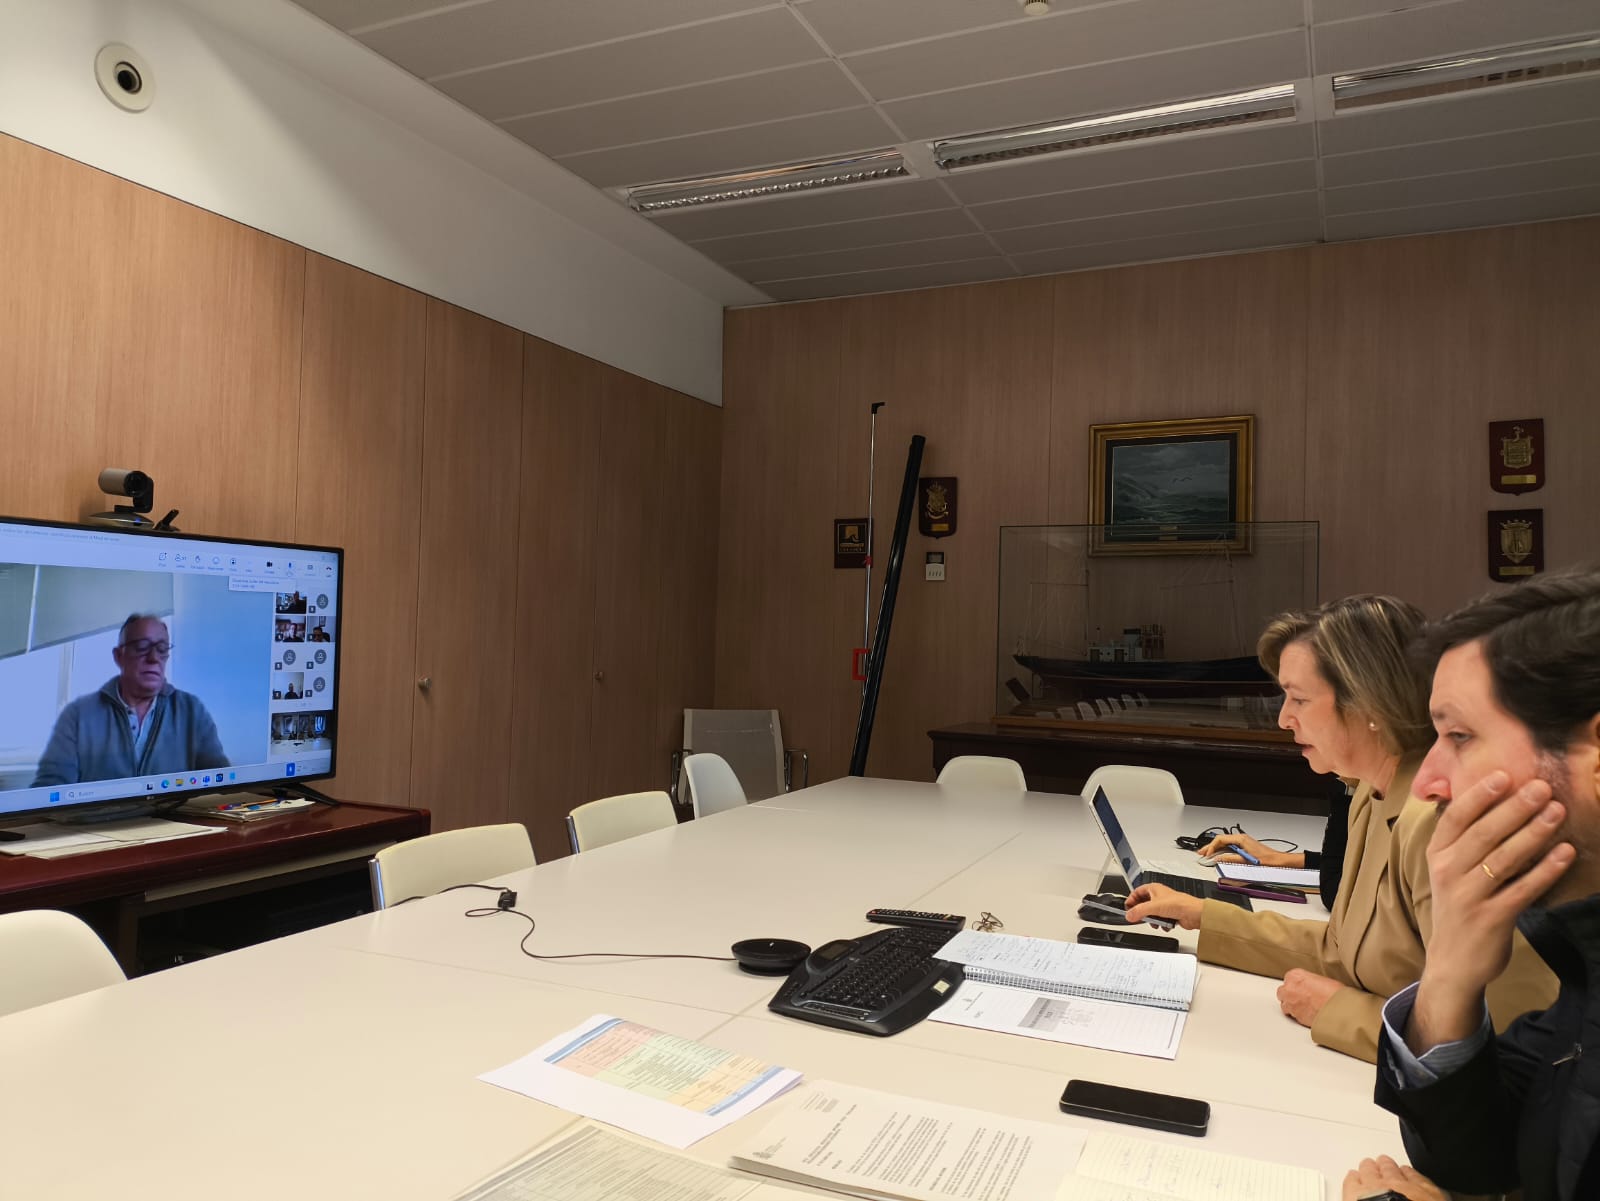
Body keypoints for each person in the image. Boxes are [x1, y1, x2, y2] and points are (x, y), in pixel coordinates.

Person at [1125, 595, 1555, 1062]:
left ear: (1369, 701)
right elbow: (1342, 952)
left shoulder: (1438, 821)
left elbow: (1507, 1033)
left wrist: (1342, 1013)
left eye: (1299, 699)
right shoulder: (1370, 796)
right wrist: (1202, 915)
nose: (1283, 718)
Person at [1374, 567, 1600, 1200]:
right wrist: (1449, 974)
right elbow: (1485, 1161)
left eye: (1460, 736)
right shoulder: (1583, 962)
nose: (1427, 783)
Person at [32, 614, 228, 786]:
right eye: (142, 647)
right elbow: (50, 789)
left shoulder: (191, 710)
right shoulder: (79, 715)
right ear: (119, 656)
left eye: (162, 649)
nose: (154, 658)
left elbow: (221, 783)